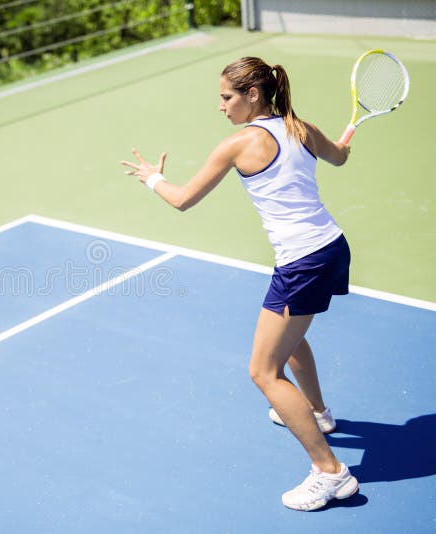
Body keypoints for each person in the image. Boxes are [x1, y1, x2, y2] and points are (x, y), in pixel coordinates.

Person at [120, 56, 359, 511]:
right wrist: (345, 140)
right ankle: (318, 413)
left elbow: (183, 200)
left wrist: (153, 178)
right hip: (330, 247)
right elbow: (341, 157)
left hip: (303, 261)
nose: (221, 106)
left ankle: (331, 473)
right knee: (288, 342)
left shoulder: (237, 145)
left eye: (226, 97)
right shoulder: (300, 128)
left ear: (253, 95)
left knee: (262, 371)